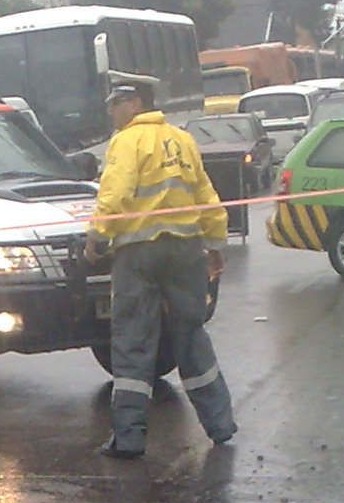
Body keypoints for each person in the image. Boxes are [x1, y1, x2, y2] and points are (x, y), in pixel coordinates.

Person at [84, 76, 234, 459]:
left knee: (134, 340)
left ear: (134, 103)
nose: (110, 111)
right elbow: (206, 196)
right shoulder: (182, 140)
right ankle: (220, 425)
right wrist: (215, 246)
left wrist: (97, 237)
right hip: (185, 252)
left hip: (139, 254)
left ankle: (129, 438)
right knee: (191, 333)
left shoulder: (127, 141)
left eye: (114, 104)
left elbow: (115, 193)